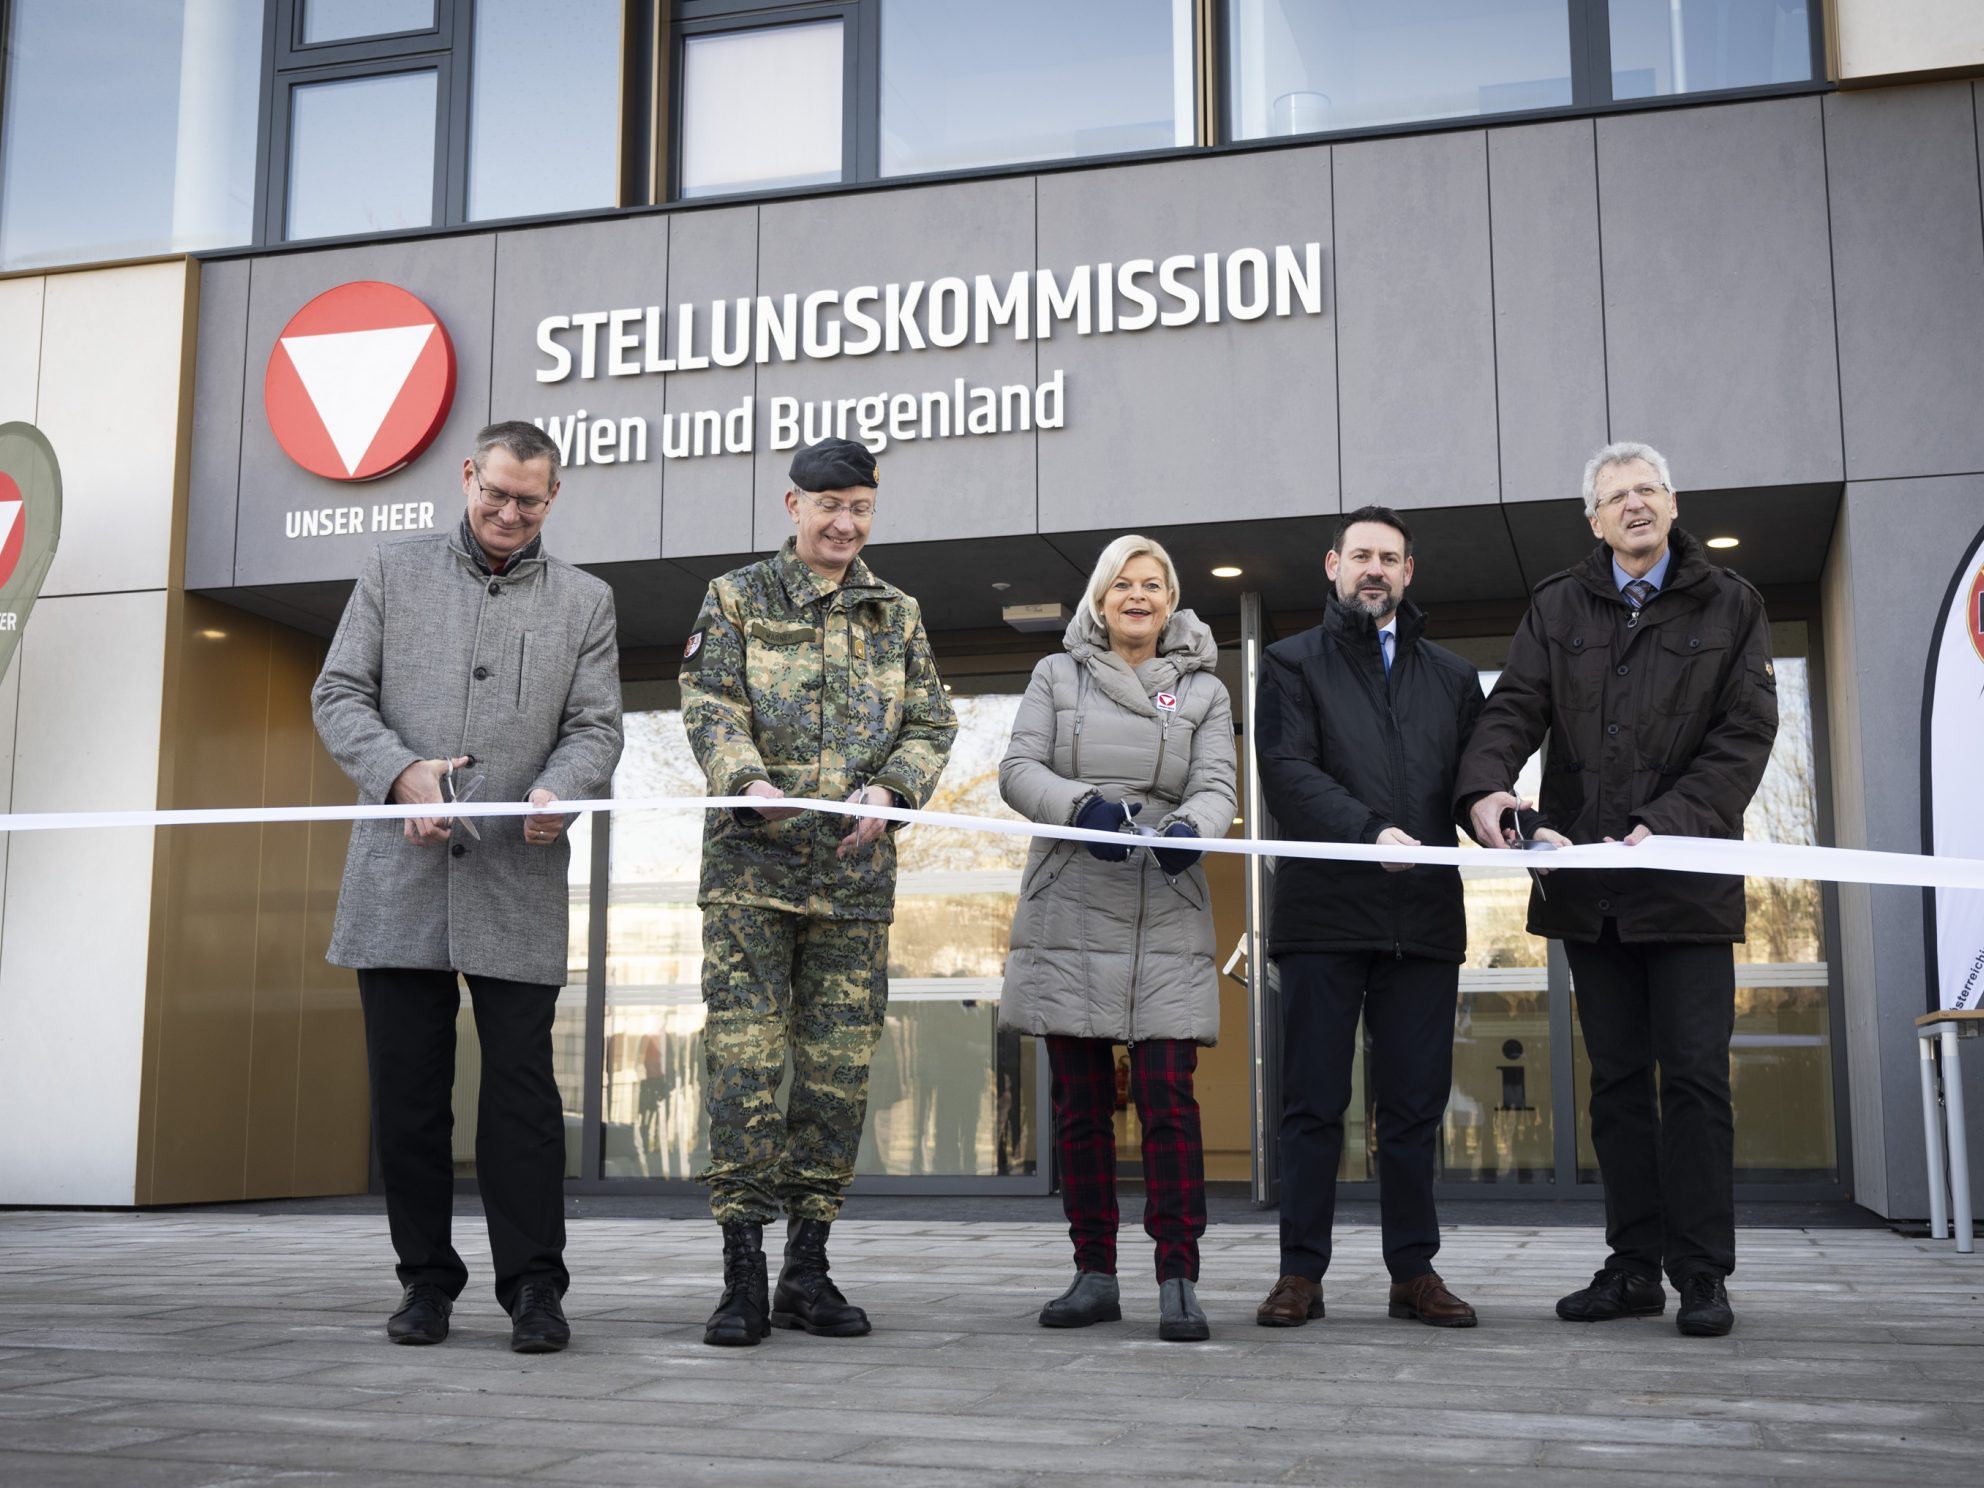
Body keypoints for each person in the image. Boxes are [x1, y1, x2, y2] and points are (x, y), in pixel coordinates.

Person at [313, 420, 623, 1354]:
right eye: (495, 493)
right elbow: (338, 695)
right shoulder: (390, 571)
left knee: (522, 1102)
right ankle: (425, 1284)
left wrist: (561, 791)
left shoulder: (586, 600)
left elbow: (598, 728)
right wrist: (401, 773)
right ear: (468, 477)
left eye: (529, 500)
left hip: (516, 879)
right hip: (397, 882)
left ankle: (535, 1288)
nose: (508, 512)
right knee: (409, 1098)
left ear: (553, 498)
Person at [1455, 441, 1778, 1338]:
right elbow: (1513, 706)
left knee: (1698, 1082)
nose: (1633, 506)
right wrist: (1483, 789)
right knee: (1620, 1086)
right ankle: (1634, 1267)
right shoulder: (1557, 604)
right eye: (1615, 497)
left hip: (1685, 886)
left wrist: (1668, 824)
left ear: (1672, 505)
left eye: (1648, 491)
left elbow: (1745, 735)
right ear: (1593, 520)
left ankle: (1703, 1274)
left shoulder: (1733, 603)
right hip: (1589, 890)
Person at [681, 436, 956, 1347]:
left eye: (861, 507)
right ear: (791, 504)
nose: (845, 522)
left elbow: (931, 720)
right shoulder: (736, 598)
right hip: (751, 882)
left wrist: (894, 790)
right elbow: (709, 701)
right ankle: (741, 1274)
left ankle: (806, 1268)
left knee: (836, 1079)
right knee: (747, 1072)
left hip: (851, 881)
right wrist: (747, 780)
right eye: (829, 504)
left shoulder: (898, 612)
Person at [1250, 506, 1485, 1331]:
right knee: (1312, 1104)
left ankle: (1412, 1272)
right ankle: (1299, 1275)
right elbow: (1284, 771)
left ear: (1409, 572)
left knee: (1414, 1107)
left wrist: (1501, 812)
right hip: (1324, 916)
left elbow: (1473, 778)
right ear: (1332, 566)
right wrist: (1364, 832)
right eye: (1360, 556)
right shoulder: (1289, 663)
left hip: (1422, 920)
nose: (1374, 569)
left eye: (1389, 557)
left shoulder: (1454, 677)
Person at [998, 535, 1237, 1343]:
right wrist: (1082, 808)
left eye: (1155, 585)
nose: (1138, 596)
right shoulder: (1055, 675)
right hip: (1073, 895)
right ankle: (1093, 1273)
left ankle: (1179, 1277)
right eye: (1123, 584)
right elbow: (1018, 768)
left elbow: (1217, 787)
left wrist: (1190, 831)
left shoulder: (1204, 688)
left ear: (1172, 601)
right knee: (1082, 1104)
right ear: (1100, 598)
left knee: (1170, 1097)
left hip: (1164, 899)